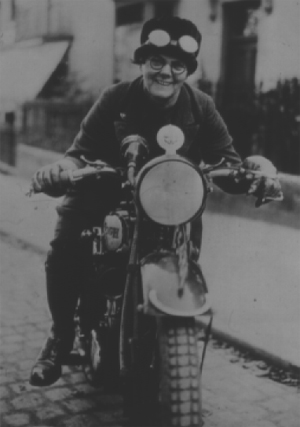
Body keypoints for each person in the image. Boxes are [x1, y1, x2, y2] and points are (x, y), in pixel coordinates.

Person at [29, 16, 281, 387]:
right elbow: (79, 152)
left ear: (188, 71)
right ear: (143, 62)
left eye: (178, 65)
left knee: (184, 263)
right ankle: (61, 337)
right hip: (103, 193)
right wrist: (60, 169)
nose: (166, 72)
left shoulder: (200, 107)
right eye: (157, 61)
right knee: (65, 248)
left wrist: (254, 175)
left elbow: (227, 161)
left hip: (171, 206)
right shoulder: (115, 98)